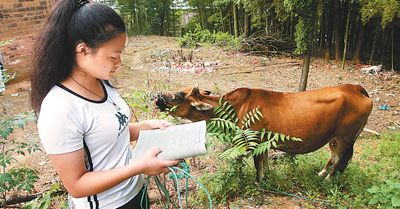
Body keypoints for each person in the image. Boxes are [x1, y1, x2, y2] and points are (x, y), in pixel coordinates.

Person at [30, 0, 180, 208]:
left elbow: (105, 135)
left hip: (134, 193)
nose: (119, 63)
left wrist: (147, 126)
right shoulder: (60, 108)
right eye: (113, 56)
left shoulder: (101, 83)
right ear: (83, 50)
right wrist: (138, 167)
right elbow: (76, 185)